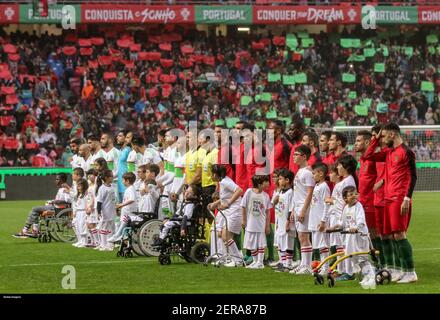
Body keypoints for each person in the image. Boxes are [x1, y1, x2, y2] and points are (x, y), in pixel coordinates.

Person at [363, 123, 418, 284]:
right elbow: (367, 156)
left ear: (393, 135)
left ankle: (410, 272)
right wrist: (376, 138)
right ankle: (399, 269)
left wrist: (407, 198)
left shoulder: (406, 152)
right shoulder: (388, 152)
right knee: (390, 236)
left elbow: (413, 176)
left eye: (385, 135)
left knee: (399, 234)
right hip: (387, 199)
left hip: (399, 199)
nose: (382, 139)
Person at [325, 155, 358, 281]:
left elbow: (347, 201)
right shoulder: (345, 180)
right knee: (343, 246)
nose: (337, 167)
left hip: (345, 218)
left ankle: (349, 273)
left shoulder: (348, 181)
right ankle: (343, 270)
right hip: (340, 217)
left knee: (347, 246)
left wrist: (331, 201)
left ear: (346, 167)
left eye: (339, 165)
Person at [355, 129, 385, 267]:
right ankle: (377, 261)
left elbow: (384, 174)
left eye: (358, 141)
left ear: (367, 142)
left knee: (375, 232)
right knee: (369, 233)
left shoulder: (374, 158)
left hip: (372, 202)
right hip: (364, 201)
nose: (355, 144)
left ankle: (384, 262)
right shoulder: (362, 158)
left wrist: (380, 184)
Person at [339, 186, 377, 290]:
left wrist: (356, 227)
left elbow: (361, 220)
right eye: (351, 194)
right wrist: (335, 226)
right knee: (354, 258)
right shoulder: (346, 208)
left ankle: (371, 277)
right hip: (351, 238)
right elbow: (342, 222)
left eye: (355, 194)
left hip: (361, 236)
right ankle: (366, 276)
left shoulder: (358, 206)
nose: (354, 196)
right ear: (345, 198)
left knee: (362, 257)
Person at [13, 173, 71, 238]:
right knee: (36, 211)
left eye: (57, 179)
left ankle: (28, 230)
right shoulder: (62, 189)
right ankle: (32, 230)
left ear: (62, 180)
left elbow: (68, 201)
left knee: (35, 209)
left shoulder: (64, 189)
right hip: (56, 207)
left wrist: (53, 201)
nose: (55, 181)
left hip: (57, 209)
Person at [209, 164, 244, 267]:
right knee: (222, 235)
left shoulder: (225, 182)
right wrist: (216, 203)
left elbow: (239, 191)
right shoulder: (223, 182)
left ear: (215, 174)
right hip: (230, 212)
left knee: (226, 236)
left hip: (235, 211)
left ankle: (237, 259)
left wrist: (228, 204)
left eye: (212, 173)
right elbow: (226, 196)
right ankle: (231, 258)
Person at [289, 145, 315, 275]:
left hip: (304, 208)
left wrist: (303, 210)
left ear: (304, 156)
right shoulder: (300, 171)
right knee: (301, 236)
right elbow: (298, 193)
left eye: (296, 154)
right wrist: (294, 209)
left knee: (304, 236)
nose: (293, 157)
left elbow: (310, 193)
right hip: (298, 207)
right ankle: (304, 264)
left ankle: (307, 266)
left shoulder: (307, 173)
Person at [241, 175, 272, 269]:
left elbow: (268, 211)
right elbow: (243, 206)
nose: (267, 184)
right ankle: (255, 261)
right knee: (251, 243)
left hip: (260, 224)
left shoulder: (265, 196)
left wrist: (267, 225)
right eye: (264, 182)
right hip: (250, 223)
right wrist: (244, 220)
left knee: (260, 243)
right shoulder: (249, 192)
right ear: (259, 184)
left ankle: (260, 262)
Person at [272, 169, 297, 272]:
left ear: (287, 180)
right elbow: (274, 205)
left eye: (281, 179)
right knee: (281, 243)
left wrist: (287, 223)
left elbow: (291, 209)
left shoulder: (291, 193)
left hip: (287, 223)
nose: (278, 180)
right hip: (280, 222)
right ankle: (283, 263)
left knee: (288, 243)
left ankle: (288, 264)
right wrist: (275, 200)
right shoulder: (280, 192)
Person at [310, 162, 331, 275]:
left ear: (321, 173)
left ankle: (326, 267)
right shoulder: (317, 186)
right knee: (318, 245)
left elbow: (327, 204)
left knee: (323, 245)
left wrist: (323, 220)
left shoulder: (324, 187)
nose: (312, 176)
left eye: (314, 173)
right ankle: (322, 266)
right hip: (314, 220)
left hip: (320, 221)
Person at [108, 172, 140, 243]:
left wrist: (121, 205)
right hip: (126, 212)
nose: (122, 182)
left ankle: (117, 236)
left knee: (124, 223)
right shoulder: (128, 189)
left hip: (129, 213)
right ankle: (120, 238)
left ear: (127, 181)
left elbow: (132, 199)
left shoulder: (131, 189)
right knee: (122, 224)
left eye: (123, 180)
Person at [96, 169, 117, 251]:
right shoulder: (102, 188)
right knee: (104, 227)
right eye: (111, 176)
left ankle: (110, 244)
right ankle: (103, 244)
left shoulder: (112, 187)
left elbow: (113, 200)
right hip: (105, 211)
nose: (112, 177)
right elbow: (99, 201)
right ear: (106, 178)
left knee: (111, 228)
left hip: (112, 211)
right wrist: (98, 212)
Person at [72, 179, 89, 248]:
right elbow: (77, 205)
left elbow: (86, 204)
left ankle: (84, 242)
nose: (78, 187)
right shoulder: (79, 195)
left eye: (80, 186)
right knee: (78, 227)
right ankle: (80, 241)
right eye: (77, 186)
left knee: (82, 227)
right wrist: (75, 212)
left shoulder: (86, 194)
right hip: (78, 212)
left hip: (83, 212)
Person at [85, 169, 100, 248]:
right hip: (88, 205)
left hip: (93, 206)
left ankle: (97, 241)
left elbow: (94, 197)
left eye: (91, 174)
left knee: (92, 224)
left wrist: (91, 206)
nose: (90, 176)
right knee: (88, 224)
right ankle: (93, 241)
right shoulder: (89, 185)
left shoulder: (96, 186)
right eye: (88, 175)